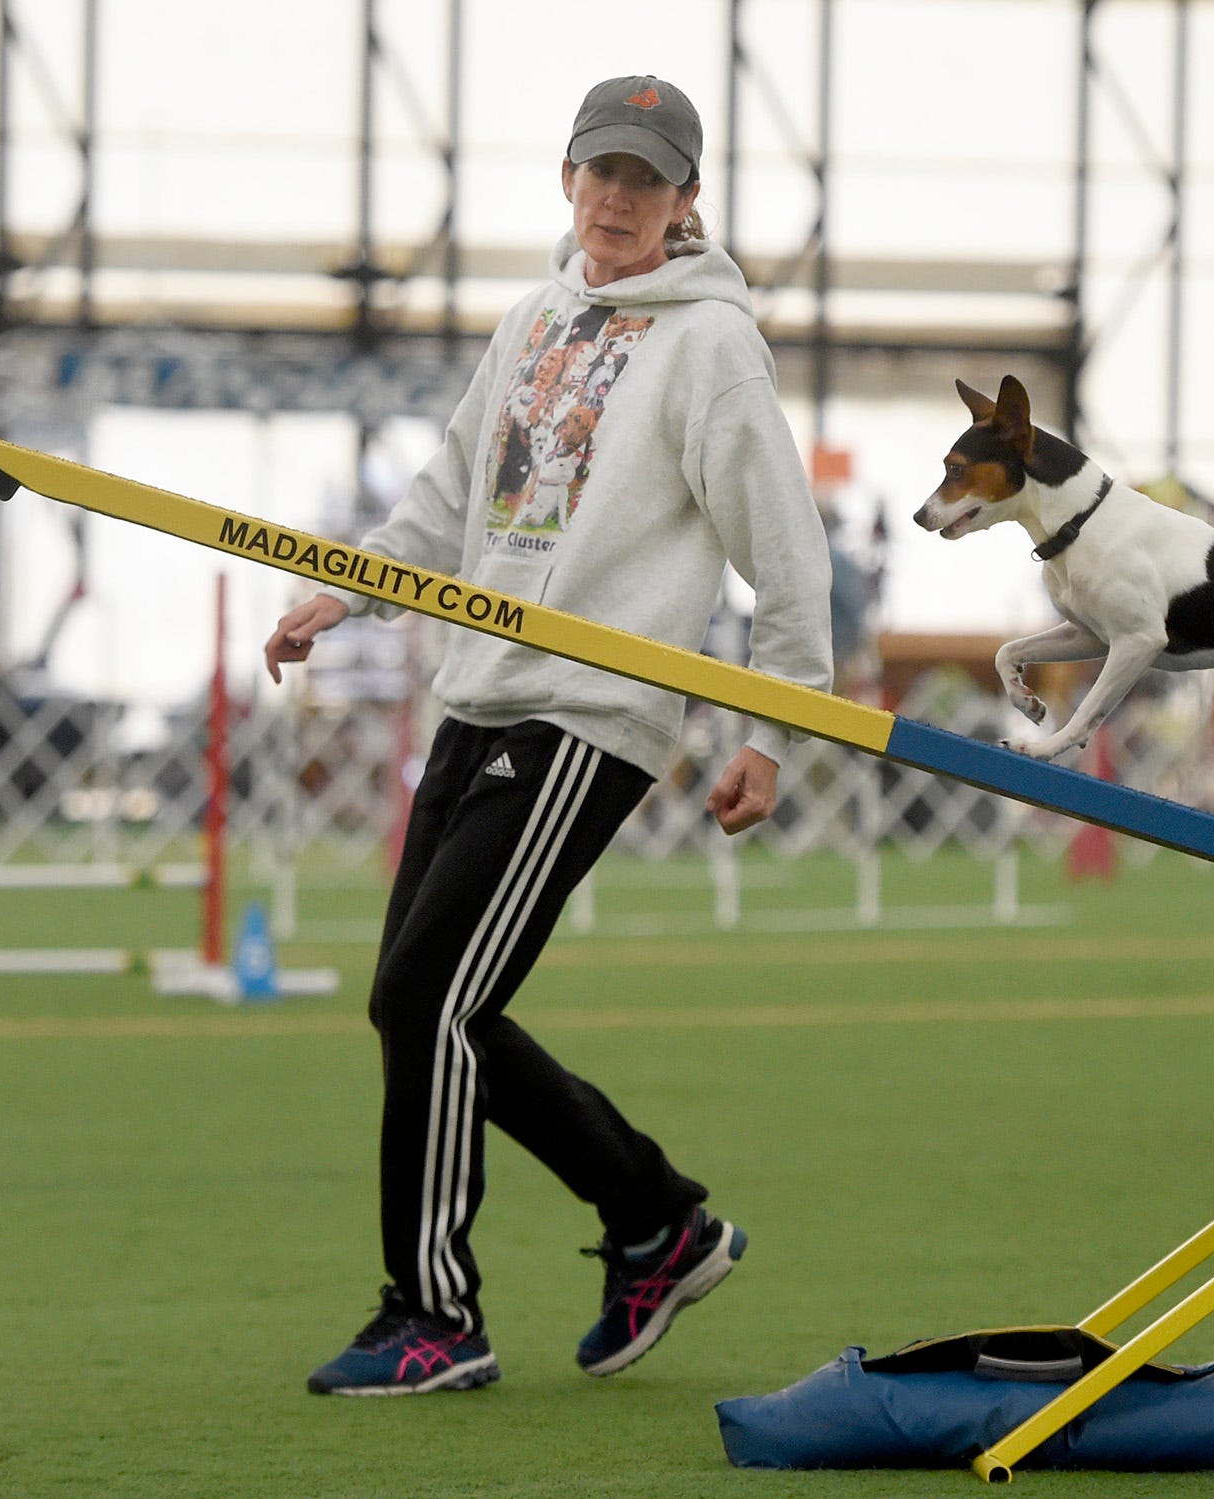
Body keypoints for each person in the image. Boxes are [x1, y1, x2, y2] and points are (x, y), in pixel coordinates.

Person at [265, 75, 834, 1396]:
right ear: (568, 178)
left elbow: (787, 560)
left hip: (589, 713)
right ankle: (656, 1215)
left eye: (649, 178)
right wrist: (335, 595)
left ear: (689, 200)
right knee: (423, 1003)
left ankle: (435, 1313)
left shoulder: (712, 350)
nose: (619, 197)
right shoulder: (530, 319)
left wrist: (774, 732)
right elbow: (447, 500)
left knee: (430, 996)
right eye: (601, 171)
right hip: (474, 696)